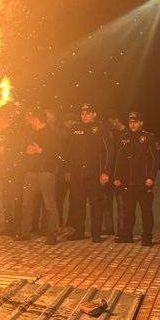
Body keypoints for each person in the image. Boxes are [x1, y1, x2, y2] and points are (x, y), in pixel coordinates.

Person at [63, 103, 112, 243]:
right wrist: (68, 169)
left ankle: (96, 234)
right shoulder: (75, 129)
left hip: (95, 174)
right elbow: (69, 152)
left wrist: (105, 172)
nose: (85, 116)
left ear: (94, 114)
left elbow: (109, 152)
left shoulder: (102, 129)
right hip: (78, 174)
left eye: (88, 113)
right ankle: (79, 231)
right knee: (78, 203)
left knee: (96, 204)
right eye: (83, 113)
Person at [112, 112, 159, 246]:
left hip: (143, 182)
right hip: (127, 182)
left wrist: (151, 177)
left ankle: (147, 237)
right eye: (131, 122)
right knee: (128, 210)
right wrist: (116, 176)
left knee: (146, 211)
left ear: (141, 123)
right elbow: (118, 159)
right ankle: (127, 235)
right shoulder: (123, 138)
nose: (133, 124)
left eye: (136, 122)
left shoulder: (148, 137)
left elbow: (155, 160)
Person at [17, 109, 61, 244]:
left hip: (46, 173)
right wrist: (27, 151)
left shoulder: (51, 133)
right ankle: (25, 233)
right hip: (31, 172)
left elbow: (56, 153)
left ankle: (51, 236)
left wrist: (40, 150)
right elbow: (24, 149)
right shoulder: (31, 133)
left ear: (37, 119)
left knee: (49, 205)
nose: (29, 121)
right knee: (27, 204)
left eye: (31, 118)